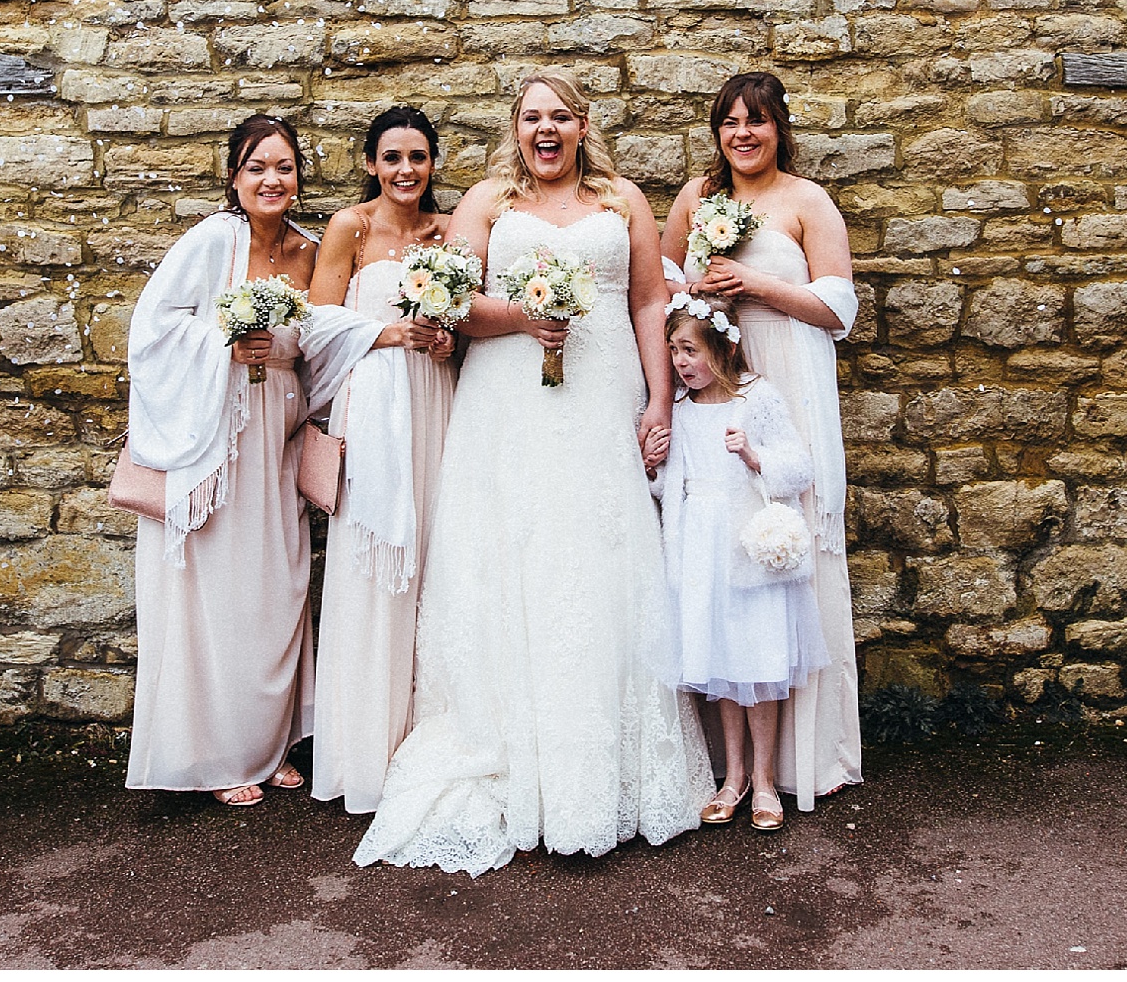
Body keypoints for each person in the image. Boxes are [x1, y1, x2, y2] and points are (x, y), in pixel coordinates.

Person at [354, 68, 715, 876]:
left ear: (583, 125)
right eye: (531, 117)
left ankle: (602, 772)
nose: (545, 129)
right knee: (511, 559)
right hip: (507, 408)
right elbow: (451, 300)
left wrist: (661, 403)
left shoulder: (624, 201)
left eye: (559, 116)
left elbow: (650, 302)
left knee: (598, 567)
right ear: (515, 128)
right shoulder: (488, 201)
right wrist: (522, 317)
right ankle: (511, 749)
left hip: (600, 400)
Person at [122, 115, 379, 807]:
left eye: (284, 167)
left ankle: (272, 746)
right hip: (213, 436)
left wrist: (390, 335)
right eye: (257, 167)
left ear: (299, 178)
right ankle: (221, 756)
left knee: (279, 586)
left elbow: (325, 335)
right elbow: (152, 329)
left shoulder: (311, 252)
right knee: (216, 597)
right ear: (234, 179)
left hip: (276, 437)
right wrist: (223, 343)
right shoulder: (212, 240)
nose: (273, 179)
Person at [660, 71, 863, 813]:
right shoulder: (694, 200)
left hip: (788, 372)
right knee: (718, 551)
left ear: (780, 127)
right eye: (728, 123)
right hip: (714, 383)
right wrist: (701, 309)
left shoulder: (807, 201)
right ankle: (726, 764)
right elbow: (662, 290)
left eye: (757, 121)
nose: (743, 134)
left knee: (787, 533)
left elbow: (838, 308)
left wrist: (753, 283)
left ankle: (805, 755)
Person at [308, 107, 460, 814]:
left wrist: (441, 343)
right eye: (392, 157)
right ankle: (363, 748)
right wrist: (382, 332)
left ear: (433, 164)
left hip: (434, 401)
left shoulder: (446, 232)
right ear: (371, 163)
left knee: (435, 557)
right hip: (372, 406)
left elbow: (464, 327)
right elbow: (313, 325)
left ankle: (426, 739)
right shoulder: (351, 228)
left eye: (418, 158)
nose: (406, 170)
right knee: (373, 566)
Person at [648, 295, 829, 835]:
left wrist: (754, 456)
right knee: (721, 664)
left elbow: (799, 467)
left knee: (757, 660)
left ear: (722, 350)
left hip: (746, 542)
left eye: (690, 351)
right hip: (698, 546)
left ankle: (768, 780)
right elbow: (668, 488)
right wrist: (654, 466)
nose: (681, 362)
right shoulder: (678, 409)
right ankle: (734, 776)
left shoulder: (756, 399)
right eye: (674, 351)